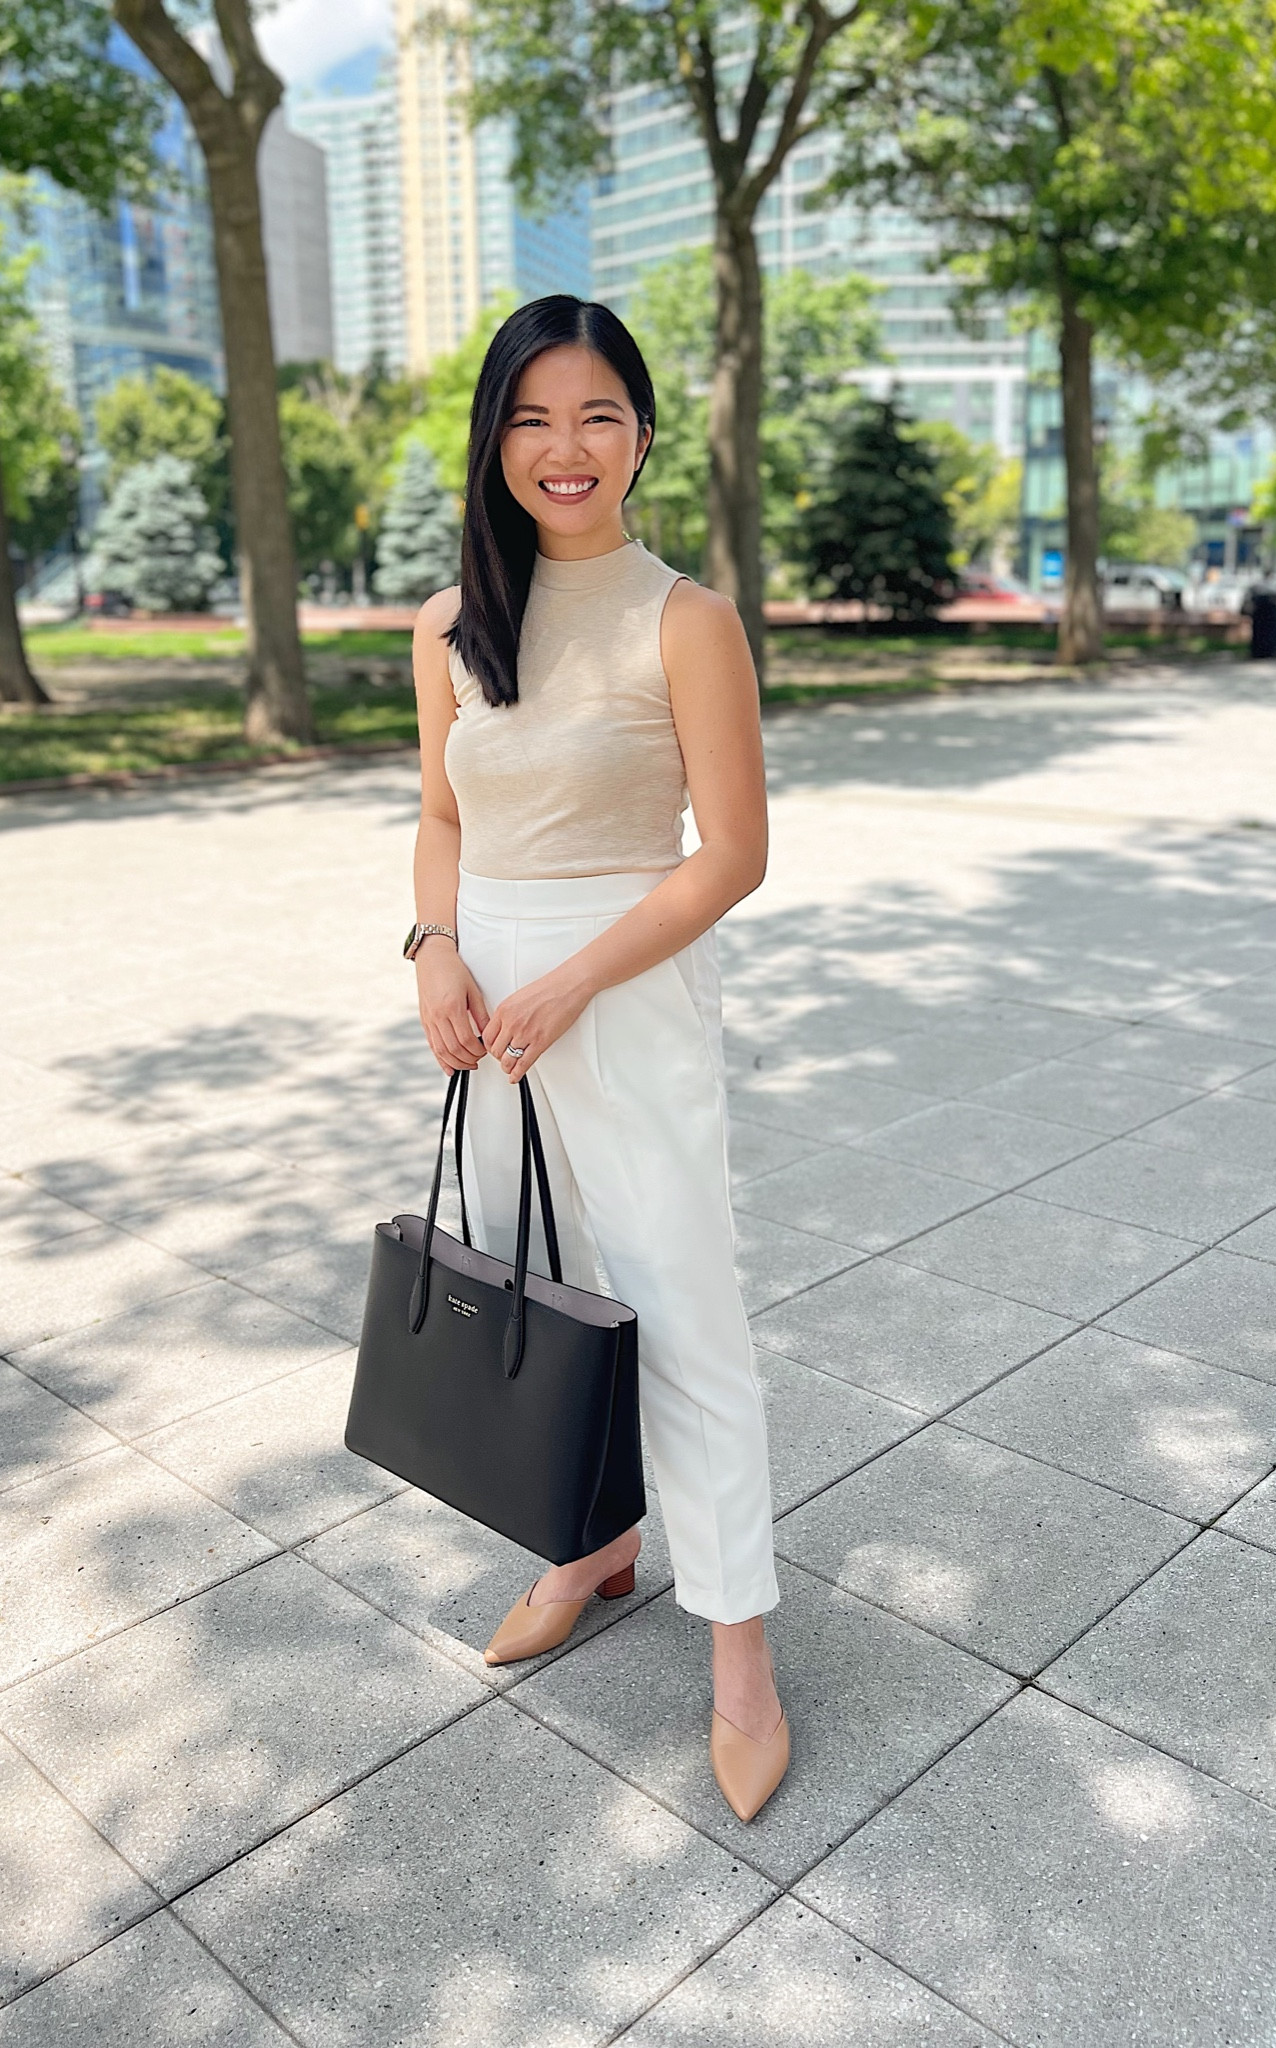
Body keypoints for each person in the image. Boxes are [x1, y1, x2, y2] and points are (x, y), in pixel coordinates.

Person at [405, 295, 787, 1824]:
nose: (563, 450)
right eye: (530, 419)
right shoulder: (445, 627)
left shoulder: (681, 618)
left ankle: (742, 1659)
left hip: (616, 992)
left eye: (595, 418)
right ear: (495, 438)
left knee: (681, 1305)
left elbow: (733, 856)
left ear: (639, 433)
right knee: (532, 1283)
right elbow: (442, 821)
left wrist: (566, 979)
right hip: (483, 1004)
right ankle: (587, 1543)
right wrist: (435, 952)